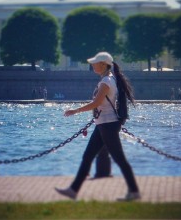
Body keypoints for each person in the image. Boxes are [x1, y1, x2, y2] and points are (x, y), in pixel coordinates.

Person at [55, 51, 140, 201]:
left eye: (95, 63)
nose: (93, 65)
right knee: (87, 156)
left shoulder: (106, 81)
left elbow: (96, 103)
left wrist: (75, 110)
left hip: (108, 125)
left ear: (103, 64)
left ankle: (134, 191)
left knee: (119, 158)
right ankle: (73, 190)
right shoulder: (109, 79)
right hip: (103, 124)